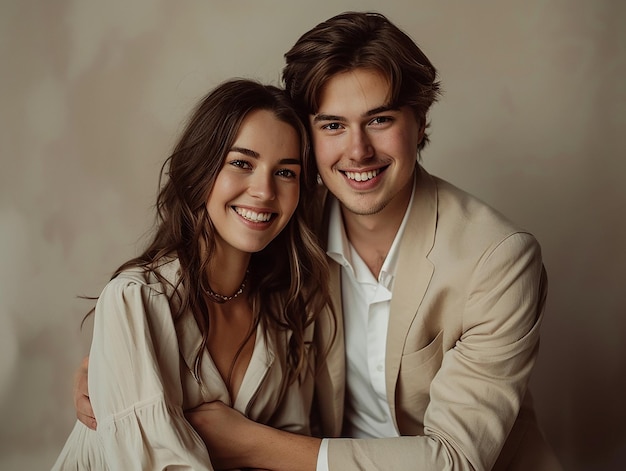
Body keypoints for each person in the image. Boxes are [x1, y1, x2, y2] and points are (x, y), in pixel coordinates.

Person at [74, 11, 562, 471]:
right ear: (309, 137)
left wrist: (246, 440)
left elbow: (454, 461)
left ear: (421, 122)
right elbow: (180, 302)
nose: (358, 151)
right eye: (333, 125)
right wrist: (119, 365)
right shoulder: (282, 220)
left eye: (380, 120)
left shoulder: (498, 258)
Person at [53, 79, 333, 470]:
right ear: (202, 169)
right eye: (241, 164)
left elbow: (288, 447)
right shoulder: (135, 300)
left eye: (286, 173)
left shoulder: (286, 311)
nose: (264, 190)